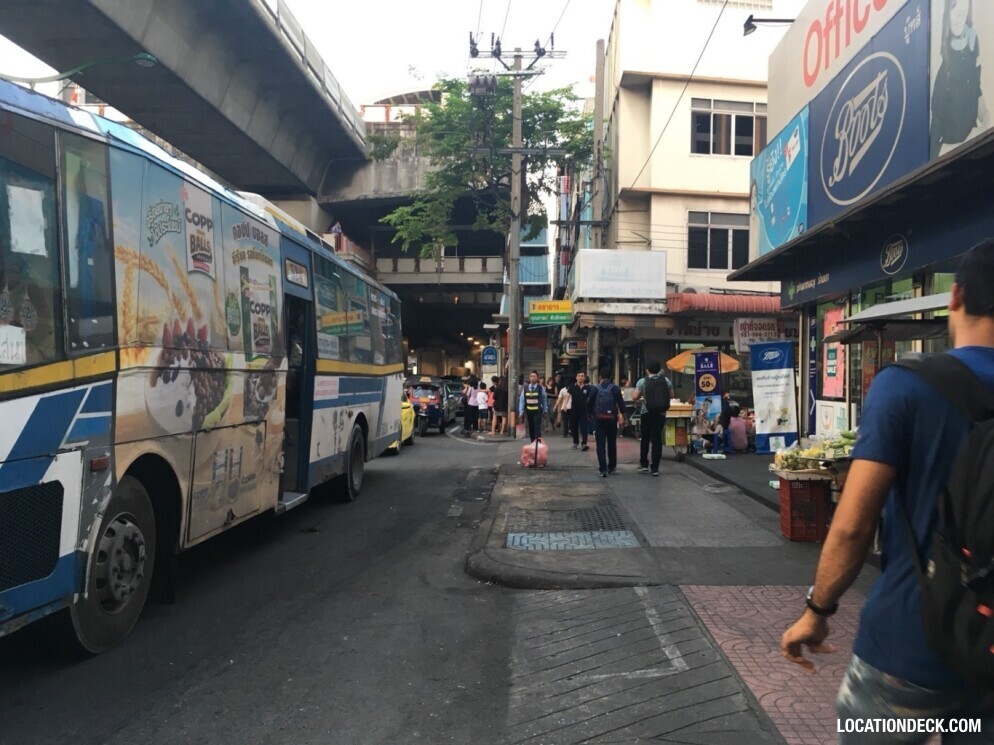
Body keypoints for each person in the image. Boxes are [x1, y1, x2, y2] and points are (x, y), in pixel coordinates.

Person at [781, 239, 994, 738]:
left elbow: (854, 525)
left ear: (955, 296)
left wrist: (817, 610)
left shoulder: (906, 385)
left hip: (911, 643)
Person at [930, 0, 989, 158]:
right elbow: (933, 150)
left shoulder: (971, 52)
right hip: (957, 165)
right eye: (955, 8)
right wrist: (968, 142)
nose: (959, 16)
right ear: (947, 12)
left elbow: (976, 92)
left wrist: (987, 118)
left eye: (963, 10)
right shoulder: (942, 76)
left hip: (980, 155)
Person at [632, 359, 672, 476]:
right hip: (660, 414)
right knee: (657, 440)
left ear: (647, 370)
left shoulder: (643, 381)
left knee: (645, 438)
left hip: (646, 412)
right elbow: (671, 395)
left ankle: (644, 464)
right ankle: (655, 468)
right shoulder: (666, 381)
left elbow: (634, 397)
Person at [588, 368, 626, 477]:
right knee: (611, 442)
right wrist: (624, 417)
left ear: (600, 376)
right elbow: (621, 405)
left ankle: (603, 469)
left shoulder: (595, 389)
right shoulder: (615, 389)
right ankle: (612, 466)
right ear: (611, 377)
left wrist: (590, 415)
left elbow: (589, 404)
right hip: (612, 419)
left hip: (599, 419)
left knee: (600, 444)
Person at [566, 371, 594, 451]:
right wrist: (564, 405)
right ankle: (575, 442)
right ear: (576, 377)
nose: (580, 377)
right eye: (579, 376)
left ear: (584, 378)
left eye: (582, 376)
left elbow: (590, 398)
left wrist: (591, 408)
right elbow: (567, 396)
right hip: (574, 409)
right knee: (574, 427)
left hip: (584, 410)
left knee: (584, 427)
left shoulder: (588, 388)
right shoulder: (572, 387)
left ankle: (584, 443)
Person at [518, 370, 547, 442]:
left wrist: (545, 410)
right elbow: (522, 400)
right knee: (531, 428)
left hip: (537, 411)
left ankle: (537, 443)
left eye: (534, 376)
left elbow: (544, 399)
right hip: (529, 411)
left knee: (537, 427)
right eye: (531, 376)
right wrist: (521, 411)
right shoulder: (525, 388)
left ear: (537, 378)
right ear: (529, 378)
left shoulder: (541, 388)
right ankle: (532, 442)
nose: (533, 378)